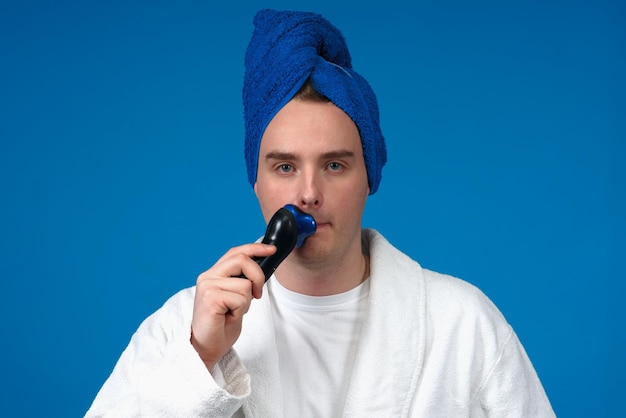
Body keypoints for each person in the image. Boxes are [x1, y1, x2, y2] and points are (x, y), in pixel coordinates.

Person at [86, 9, 555, 417]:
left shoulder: (463, 324)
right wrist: (201, 358)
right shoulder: (179, 330)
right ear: (257, 181)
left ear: (369, 176)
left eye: (334, 165)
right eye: (285, 166)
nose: (308, 193)